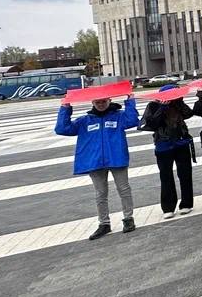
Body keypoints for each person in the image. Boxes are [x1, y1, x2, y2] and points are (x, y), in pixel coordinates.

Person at [56, 93, 140, 239]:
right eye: (98, 102)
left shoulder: (119, 116)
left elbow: (133, 120)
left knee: (124, 189)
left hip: (116, 159)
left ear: (109, 100)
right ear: (92, 102)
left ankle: (128, 219)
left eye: (103, 101)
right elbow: (62, 129)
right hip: (94, 162)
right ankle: (104, 224)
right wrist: (65, 108)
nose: (101, 104)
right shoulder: (84, 121)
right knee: (100, 194)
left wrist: (130, 101)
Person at [140, 90, 195, 217]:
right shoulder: (153, 105)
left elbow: (189, 114)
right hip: (163, 145)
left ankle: (186, 204)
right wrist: (162, 108)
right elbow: (152, 124)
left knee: (185, 174)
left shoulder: (178, 104)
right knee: (166, 176)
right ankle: (168, 207)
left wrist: (179, 102)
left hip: (181, 143)